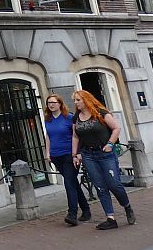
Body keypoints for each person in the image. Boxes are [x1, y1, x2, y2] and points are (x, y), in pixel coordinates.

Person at [72, 89, 135, 230]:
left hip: (105, 153)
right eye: (75, 100)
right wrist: (75, 154)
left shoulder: (100, 113)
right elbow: (75, 137)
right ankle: (110, 218)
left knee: (114, 184)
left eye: (78, 100)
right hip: (88, 154)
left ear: (86, 100)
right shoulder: (76, 117)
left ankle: (127, 206)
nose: (75, 103)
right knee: (100, 186)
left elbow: (116, 128)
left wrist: (110, 144)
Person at [43, 94, 91, 226]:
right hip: (55, 155)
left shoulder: (69, 117)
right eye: (49, 103)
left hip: (69, 155)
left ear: (60, 103)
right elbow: (48, 136)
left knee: (69, 183)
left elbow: (77, 136)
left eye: (53, 102)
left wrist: (77, 154)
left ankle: (72, 214)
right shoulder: (48, 119)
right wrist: (48, 153)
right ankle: (86, 210)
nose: (51, 105)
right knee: (73, 183)